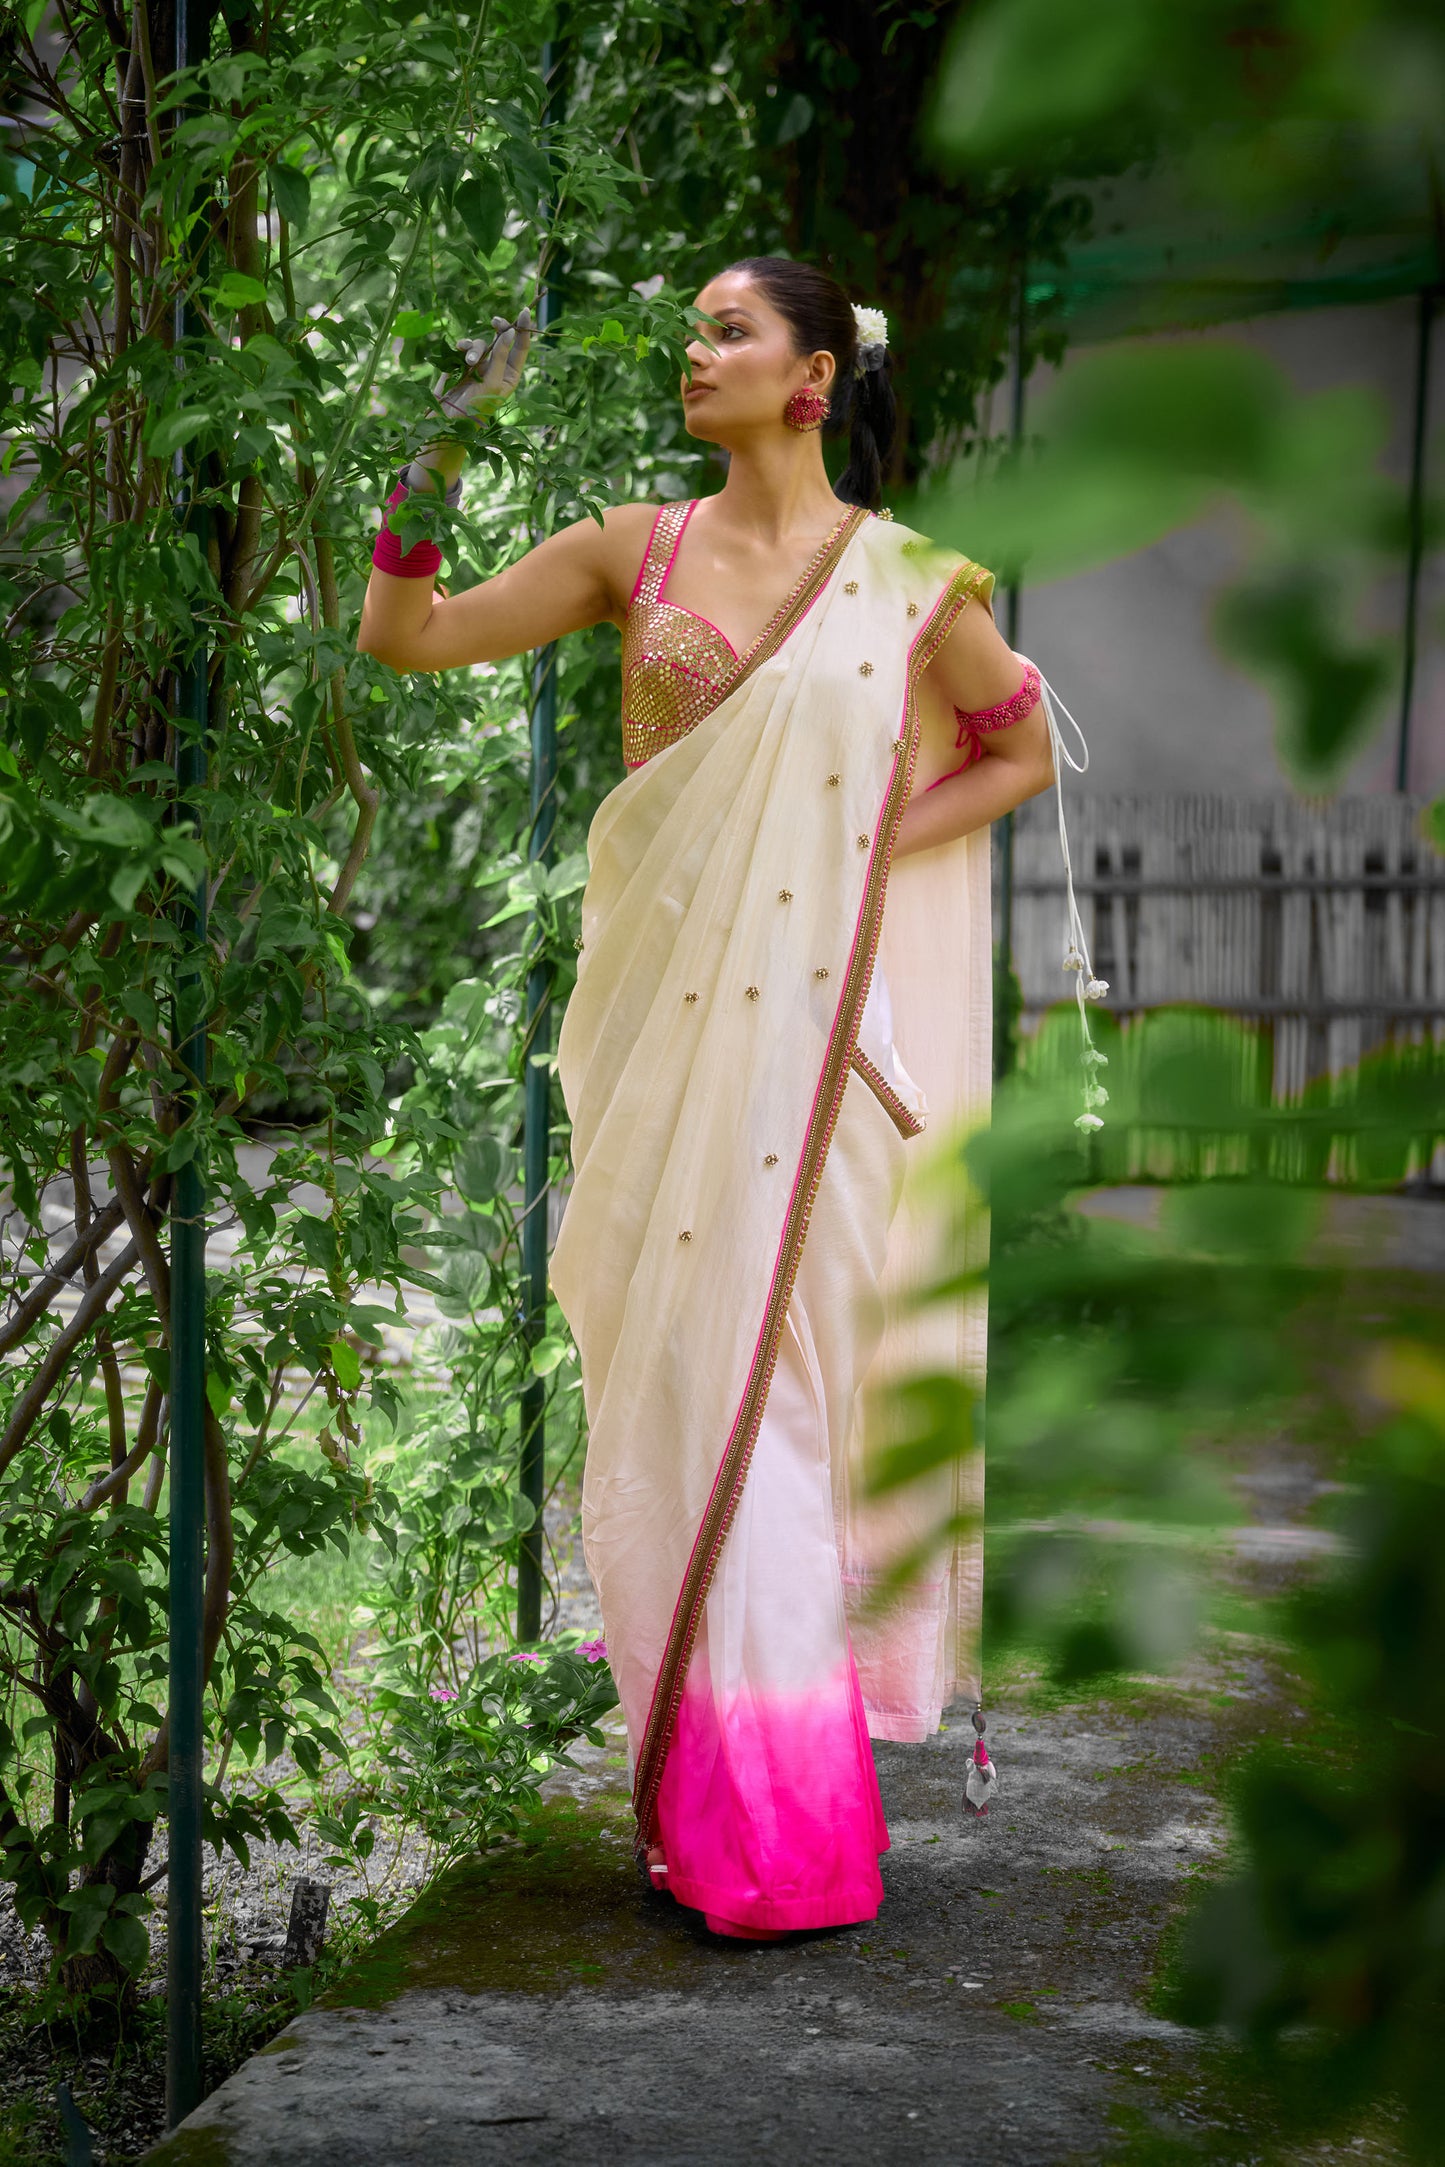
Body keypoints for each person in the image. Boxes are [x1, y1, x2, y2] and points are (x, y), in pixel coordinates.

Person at [358, 257, 1071, 1941]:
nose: (694, 352)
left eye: (727, 330)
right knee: (680, 1386)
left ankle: (787, 1825)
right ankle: (713, 1799)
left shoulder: (910, 581)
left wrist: (863, 852)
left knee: (788, 1401)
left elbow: (1018, 749)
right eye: (692, 330)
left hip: (823, 1048)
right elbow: (408, 639)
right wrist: (436, 454)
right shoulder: (633, 549)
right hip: (666, 1042)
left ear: (813, 376)